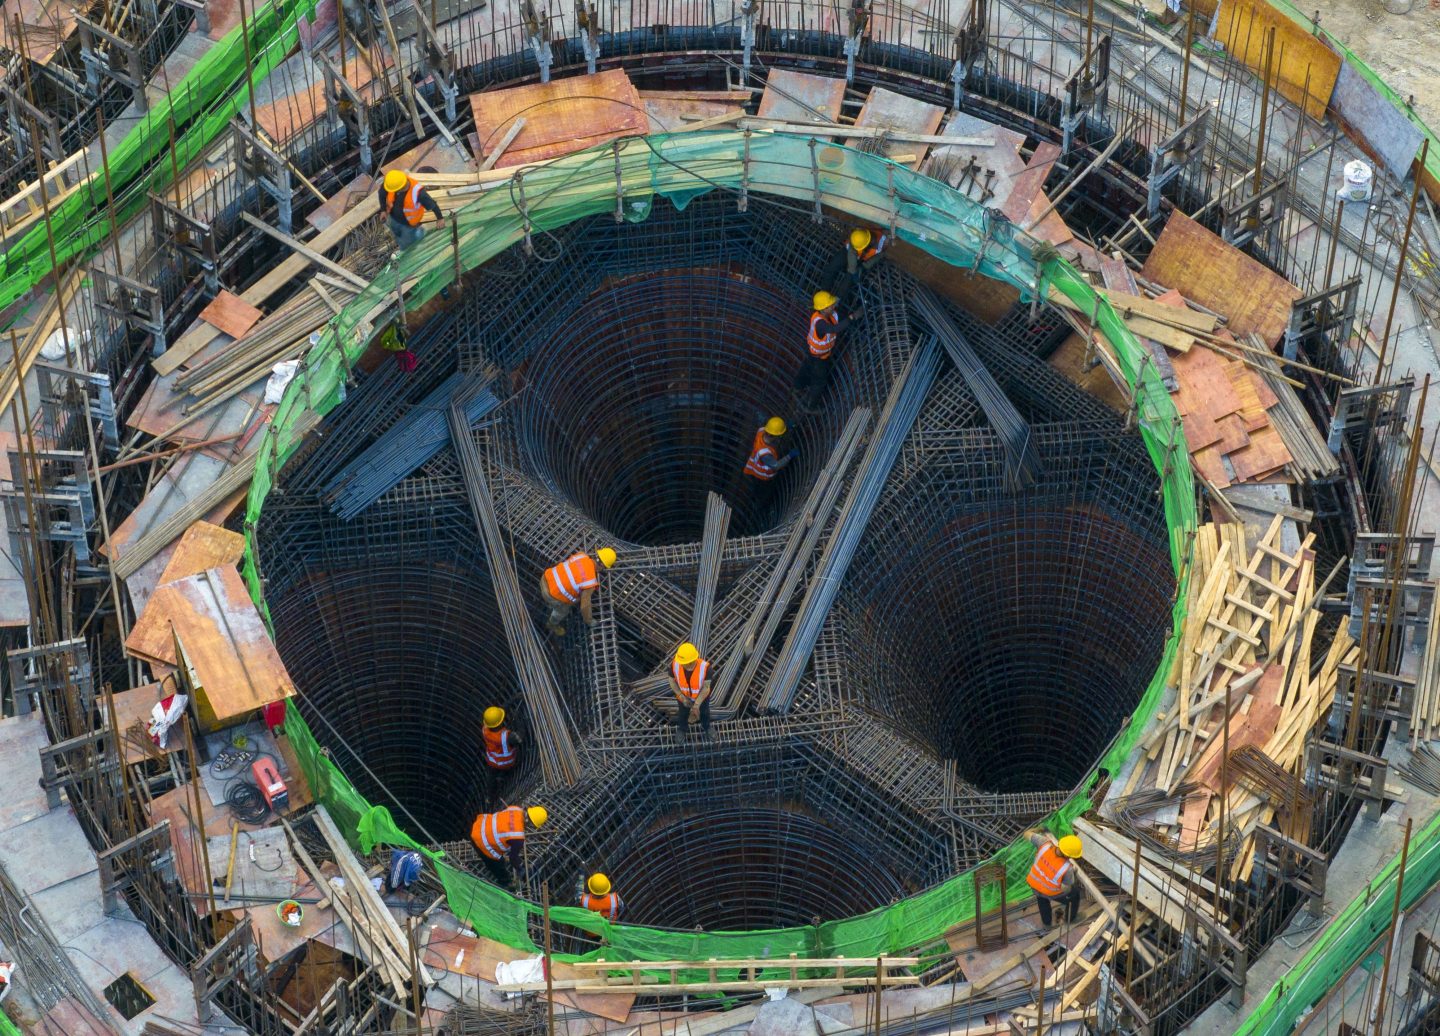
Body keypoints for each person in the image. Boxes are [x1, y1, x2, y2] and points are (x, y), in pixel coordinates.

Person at [793, 290, 863, 412]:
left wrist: (850, 275)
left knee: (806, 367)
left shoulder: (830, 314)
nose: (833, 306)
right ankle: (811, 406)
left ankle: (798, 386)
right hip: (817, 356)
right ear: (824, 309)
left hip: (815, 352)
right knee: (819, 381)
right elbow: (835, 329)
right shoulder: (820, 323)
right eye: (831, 305)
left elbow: (838, 298)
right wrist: (852, 317)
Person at [540, 548, 618, 637]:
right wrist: (589, 620)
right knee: (563, 610)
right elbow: (584, 606)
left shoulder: (581, 555)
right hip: (551, 595)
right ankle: (551, 624)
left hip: (545, 578)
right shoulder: (590, 582)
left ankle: (552, 606)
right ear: (603, 566)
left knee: (577, 596)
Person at [472, 805, 548, 887]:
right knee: (497, 862)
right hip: (481, 842)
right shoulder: (518, 837)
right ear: (530, 822)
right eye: (533, 825)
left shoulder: (515, 808)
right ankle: (505, 883)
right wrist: (519, 869)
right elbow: (512, 858)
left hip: (479, 825)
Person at [1026, 830, 1083, 927]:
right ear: (1067, 854)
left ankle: (1047, 923)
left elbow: (1026, 834)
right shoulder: (1067, 868)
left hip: (1034, 884)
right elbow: (1068, 886)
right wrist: (1074, 873)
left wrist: (1038, 828)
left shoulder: (1044, 843)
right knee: (1075, 894)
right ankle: (1070, 918)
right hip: (1049, 891)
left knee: (1042, 900)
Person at [378, 169, 444, 250]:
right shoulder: (393, 184)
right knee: (396, 232)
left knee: (406, 245)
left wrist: (440, 218)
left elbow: (433, 205)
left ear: (400, 188)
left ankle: (418, 235)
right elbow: (381, 193)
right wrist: (383, 210)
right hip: (393, 218)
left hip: (409, 225)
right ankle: (401, 240)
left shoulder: (418, 193)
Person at [669, 642, 712, 738]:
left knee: (704, 712)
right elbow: (671, 680)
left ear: (690, 662)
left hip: (701, 697)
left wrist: (696, 705)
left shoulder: (705, 668)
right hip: (683, 696)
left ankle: (707, 727)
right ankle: (682, 729)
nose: (681, 664)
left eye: (683, 663)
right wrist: (681, 696)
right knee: (683, 713)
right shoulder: (675, 664)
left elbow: (706, 687)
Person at [743, 417, 795, 482]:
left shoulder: (761, 431)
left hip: (756, 464)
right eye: (780, 435)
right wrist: (789, 456)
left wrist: (785, 427)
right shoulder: (764, 453)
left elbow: (773, 431)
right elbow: (776, 466)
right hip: (763, 475)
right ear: (775, 436)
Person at [482, 706, 521, 773]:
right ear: (500, 723)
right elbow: (521, 734)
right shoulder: (506, 737)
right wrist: (517, 718)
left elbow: (498, 715)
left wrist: (511, 702)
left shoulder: (485, 729)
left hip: (491, 761)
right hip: (506, 764)